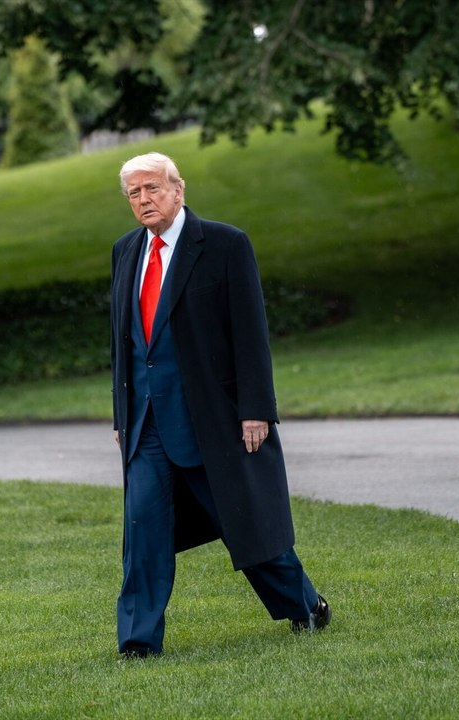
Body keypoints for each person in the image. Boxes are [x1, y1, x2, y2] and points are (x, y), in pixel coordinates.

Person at [109, 151, 330, 658]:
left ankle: (306, 606)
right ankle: (138, 644)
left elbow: (250, 333)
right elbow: (123, 343)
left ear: (178, 189)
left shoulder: (225, 245)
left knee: (245, 525)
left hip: (211, 421)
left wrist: (256, 408)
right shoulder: (125, 252)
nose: (144, 200)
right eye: (134, 193)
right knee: (142, 536)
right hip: (145, 426)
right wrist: (122, 415)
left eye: (152, 189)